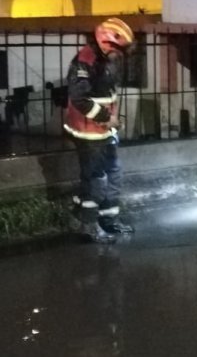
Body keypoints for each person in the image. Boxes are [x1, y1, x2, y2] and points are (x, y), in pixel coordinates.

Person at [66, 17, 136, 243]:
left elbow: (106, 94)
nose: (121, 56)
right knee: (96, 179)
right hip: (88, 132)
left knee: (114, 174)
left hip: (105, 130)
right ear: (106, 42)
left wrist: (111, 121)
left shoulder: (105, 59)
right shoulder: (84, 61)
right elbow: (79, 98)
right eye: (119, 50)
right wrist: (106, 118)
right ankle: (88, 224)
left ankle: (109, 220)